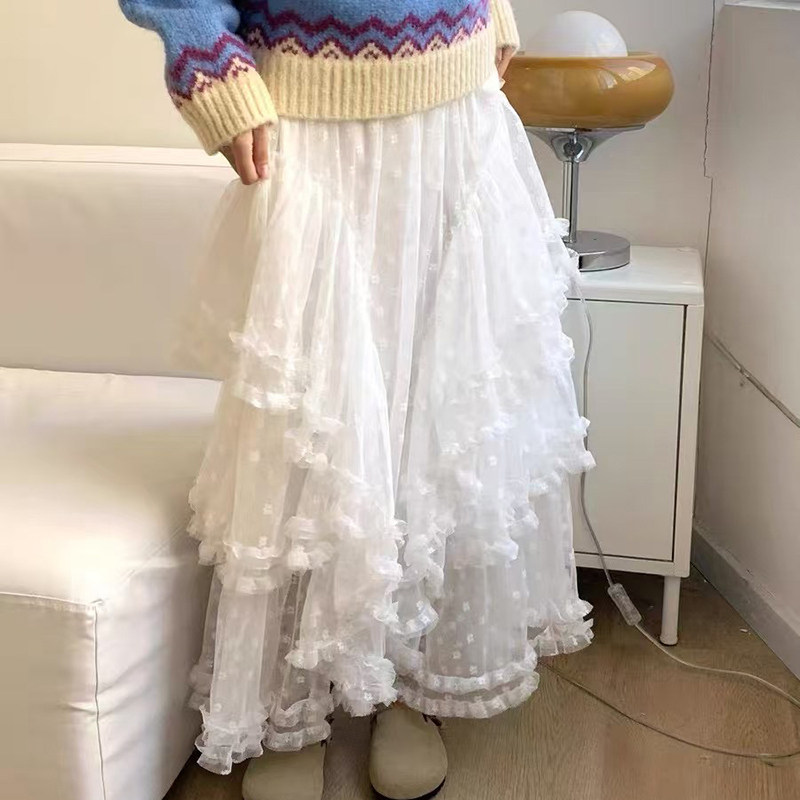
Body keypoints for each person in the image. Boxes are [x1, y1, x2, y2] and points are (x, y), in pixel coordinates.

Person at [118, 2, 595, 799]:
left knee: (440, 407)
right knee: (308, 415)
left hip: (455, 104)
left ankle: (412, 681)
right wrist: (206, 58)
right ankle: (291, 702)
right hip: (310, 115)